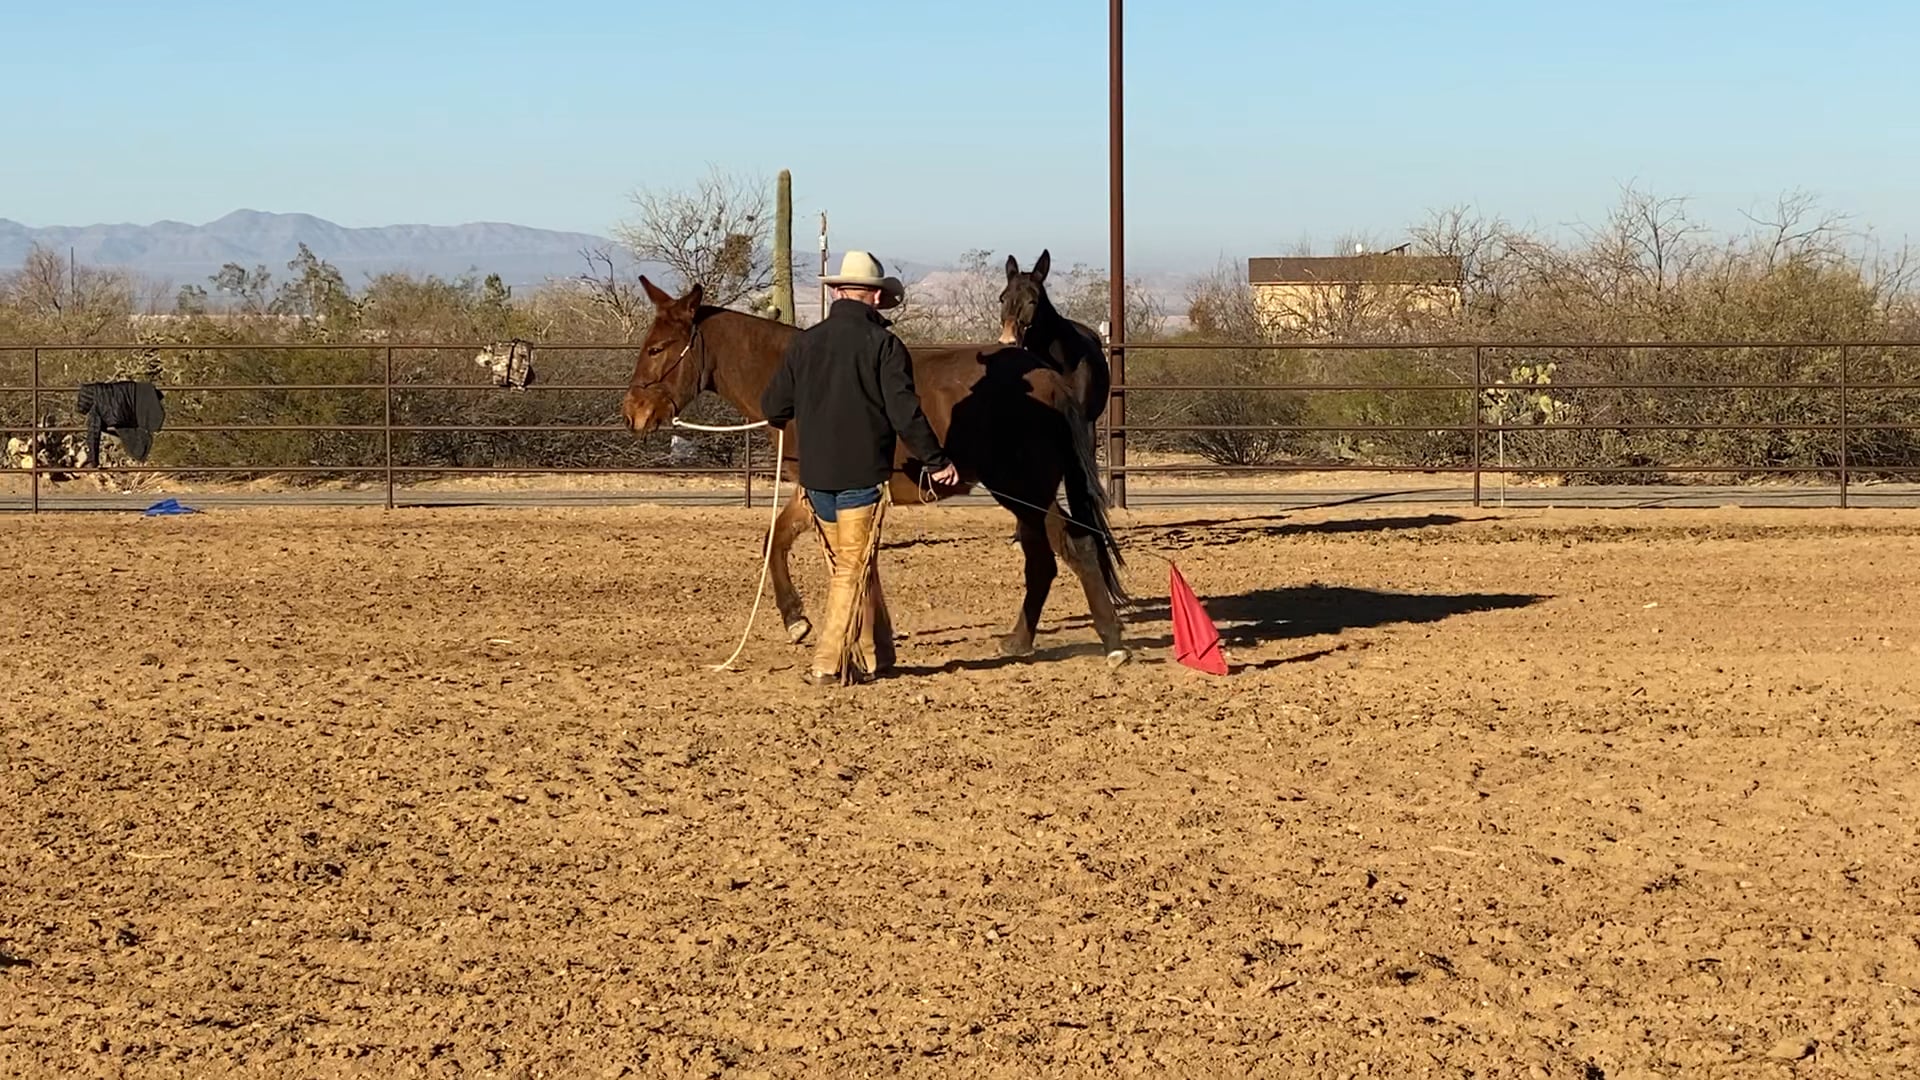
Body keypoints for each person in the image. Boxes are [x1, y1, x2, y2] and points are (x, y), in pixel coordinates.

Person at [761, 250, 960, 686]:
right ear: (873, 296)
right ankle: (828, 663)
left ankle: (874, 653)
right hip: (861, 478)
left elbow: (774, 405)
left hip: (814, 481)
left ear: (838, 292)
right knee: (852, 568)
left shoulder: (805, 343)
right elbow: (905, 412)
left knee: (847, 568)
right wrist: (937, 460)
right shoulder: (884, 346)